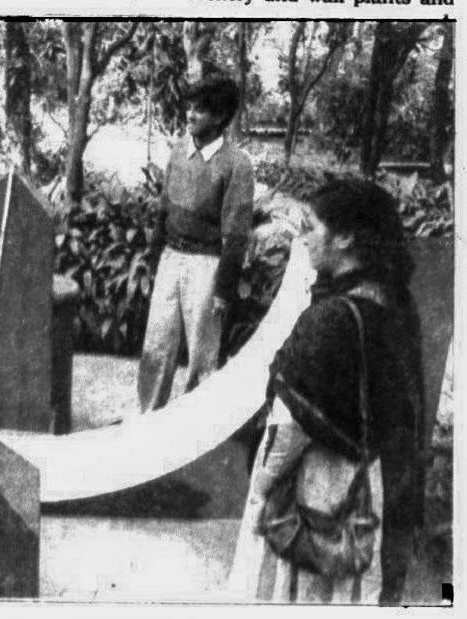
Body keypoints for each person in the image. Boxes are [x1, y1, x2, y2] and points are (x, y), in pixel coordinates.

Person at [228, 179, 425, 604]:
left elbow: (286, 431)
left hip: (313, 493)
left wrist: (260, 491)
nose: (303, 240)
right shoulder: (396, 304)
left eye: (311, 228)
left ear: (346, 238)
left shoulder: (330, 318)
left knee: (296, 593)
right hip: (367, 491)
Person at [137, 74, 254, 414]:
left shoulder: (237, 164)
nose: (190, 115)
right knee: (157, 343)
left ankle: (199, 425)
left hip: (207, 264)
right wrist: (154, 259)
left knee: (203, 355)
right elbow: (164, 208)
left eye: (200, 110)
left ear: (220, 117)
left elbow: (236, 233)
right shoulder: (178, 150)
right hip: (171, 257)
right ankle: (147, 417)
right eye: (189, 107)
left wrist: (223, 290)